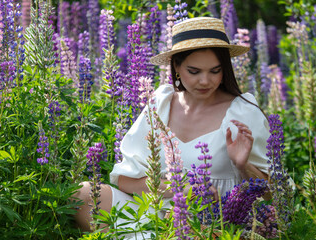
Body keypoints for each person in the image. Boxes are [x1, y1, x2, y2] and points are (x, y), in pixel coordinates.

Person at [73, 16, 270, 234]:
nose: (205, 81)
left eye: (215, 70)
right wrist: (181, 190)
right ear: (176, 66)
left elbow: (274, 196)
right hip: (156, 215)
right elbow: (125, 180)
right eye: (194, 71)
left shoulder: (242, 111)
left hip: (214, 224)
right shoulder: (161, 103)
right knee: (82, 194)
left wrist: (243, 166)